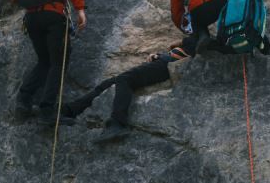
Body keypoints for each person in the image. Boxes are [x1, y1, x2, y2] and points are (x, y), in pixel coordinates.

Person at [13, 0, 87, 124]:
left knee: (44, 61)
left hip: (31, 17)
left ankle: (23, 100)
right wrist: (80, 9)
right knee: (58, 62)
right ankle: (47, 111)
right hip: (54, 15)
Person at [62, 44, 190, 141]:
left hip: (166, 64)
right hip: (164, 62)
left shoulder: (191, 37)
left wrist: (160, 56)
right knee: (111, 82)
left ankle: (118, 123)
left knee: (124, 79)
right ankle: (71, 109)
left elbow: (183, 55)